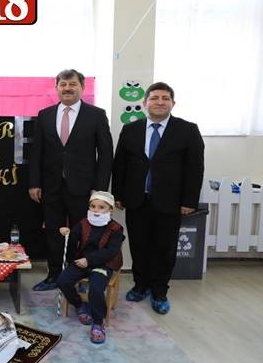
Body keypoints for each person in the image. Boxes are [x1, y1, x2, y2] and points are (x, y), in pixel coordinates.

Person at [112, 81, 204, 314]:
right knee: (139, 245)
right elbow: (120, 164)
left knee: (164, 248)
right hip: (136, 200)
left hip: (170, 202)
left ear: (173, 103)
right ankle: (140, 286)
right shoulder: (130, 129)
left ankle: (160, 291)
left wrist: (189, 201)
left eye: (165, 98)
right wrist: (119, 195)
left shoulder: (188, 130)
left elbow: (195, 169)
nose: (160, 102)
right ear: (145, 103)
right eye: (154, 98)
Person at [29, 69, 113, 291]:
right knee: (53, 233)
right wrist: (34, 183)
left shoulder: (96, 115)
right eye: (63, 84)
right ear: (57, 88)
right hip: (51, 187)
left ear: (82, 87)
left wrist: (100, 190)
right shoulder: (45, 115)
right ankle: (54, 275)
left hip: (85, 189)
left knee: (83, 234)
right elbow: (36, 152)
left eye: (73, 84)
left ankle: (79, 277)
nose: (68, 88)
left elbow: (106, 154)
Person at [56, 191, 124, 344]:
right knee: (62, 281)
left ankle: (98, 323)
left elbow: (110, 252)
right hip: (82, 261)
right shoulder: (83, 223)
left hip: (103, 264)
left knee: (96, 289)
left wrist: (89, 260)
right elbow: (72, 242)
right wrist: (67, 234)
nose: (96, 210)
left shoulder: (116, 229)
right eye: (93, 206)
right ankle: (80, 305)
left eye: (101, 207)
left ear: (110, 210)